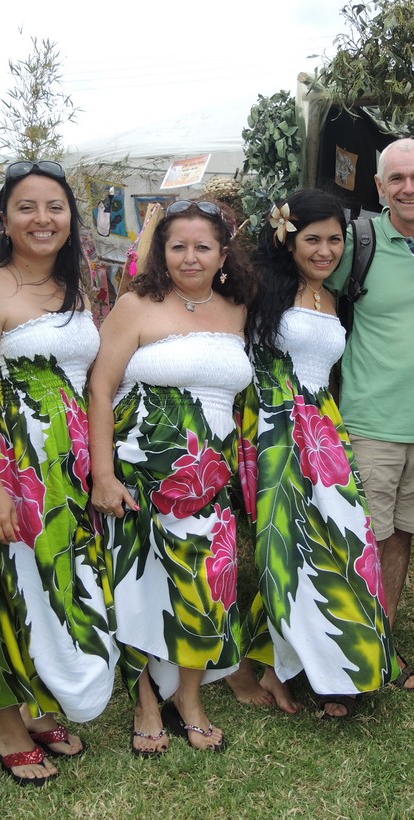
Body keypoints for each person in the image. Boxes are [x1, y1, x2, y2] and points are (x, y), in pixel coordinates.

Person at [0, 160, 117, 785]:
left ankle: (40, 702)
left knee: (56, 585)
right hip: (15, 467)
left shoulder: (76, 288)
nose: (42, 219)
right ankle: (8, 726)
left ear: (71, 218)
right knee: (9, 586)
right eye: (26, 207)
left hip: (69, 471)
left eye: (55, 207)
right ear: (4, 217)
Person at [89, 199, 251, 754]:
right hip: (141, 473)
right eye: (177, 246)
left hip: (211, 479)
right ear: (161, 252)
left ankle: (188, 696)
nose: (190, 257)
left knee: (207, 585)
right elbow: (100, 390)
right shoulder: (135, 306)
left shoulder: (237, 309)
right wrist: (103, 475)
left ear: (223, 255)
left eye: (203, 246)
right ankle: (145, 702)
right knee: (137, 585)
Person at [228, 189, 394, 719]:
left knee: (345, 541)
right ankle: (283, 669)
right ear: (286, 239)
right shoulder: (257, 289)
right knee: (286, 548)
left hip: (326, 431)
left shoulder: (331, 297)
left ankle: (336, 663)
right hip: (275, 429)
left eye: (335, 240)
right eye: (312, 240)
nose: (326, 251)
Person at [324, 138, 414, 689]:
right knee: (360, 539)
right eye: (397, 179)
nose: (409, 188)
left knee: (400, 537)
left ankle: (380, 642)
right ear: (379, 187)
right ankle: (345, 657)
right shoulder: (356, 242)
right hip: (368, 421)